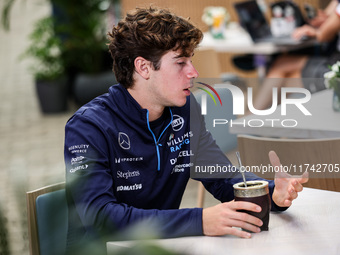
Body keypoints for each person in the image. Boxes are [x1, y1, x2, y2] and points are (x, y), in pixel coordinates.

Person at [64, 7, 308, 255]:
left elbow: (222, 177)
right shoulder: (88, 127)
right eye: (180, 62)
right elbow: (100, 218)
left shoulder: (184, 109)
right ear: (144, 67)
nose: (193, 72)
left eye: (190, 61)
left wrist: (271, 193)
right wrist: (200, 221)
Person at [253, 0, 340, 110]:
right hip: (333, 59)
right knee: (282, 66)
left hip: (336, 67)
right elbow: (328, 16)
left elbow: (324, 35)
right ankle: (256, 118)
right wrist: (324, 20)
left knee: (283, 80)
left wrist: (315, 31)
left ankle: (251, 118)